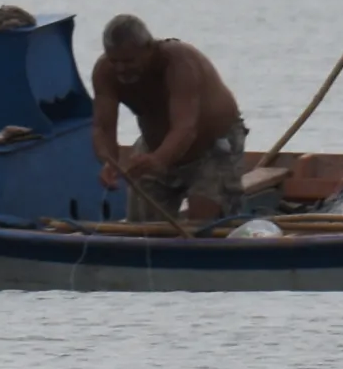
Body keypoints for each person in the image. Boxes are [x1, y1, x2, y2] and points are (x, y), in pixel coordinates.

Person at [90, 14, 248, 223]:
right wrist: (109, 161)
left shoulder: (179, 62)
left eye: (129, 61)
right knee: (141, 223)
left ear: (149, 48)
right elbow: (103, 127)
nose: (120, 68)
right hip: (155, 144)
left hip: (211, 146)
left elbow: (186, 128)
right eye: (114, 60)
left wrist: (158, 159)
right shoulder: (105, 72)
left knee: (203, 225)